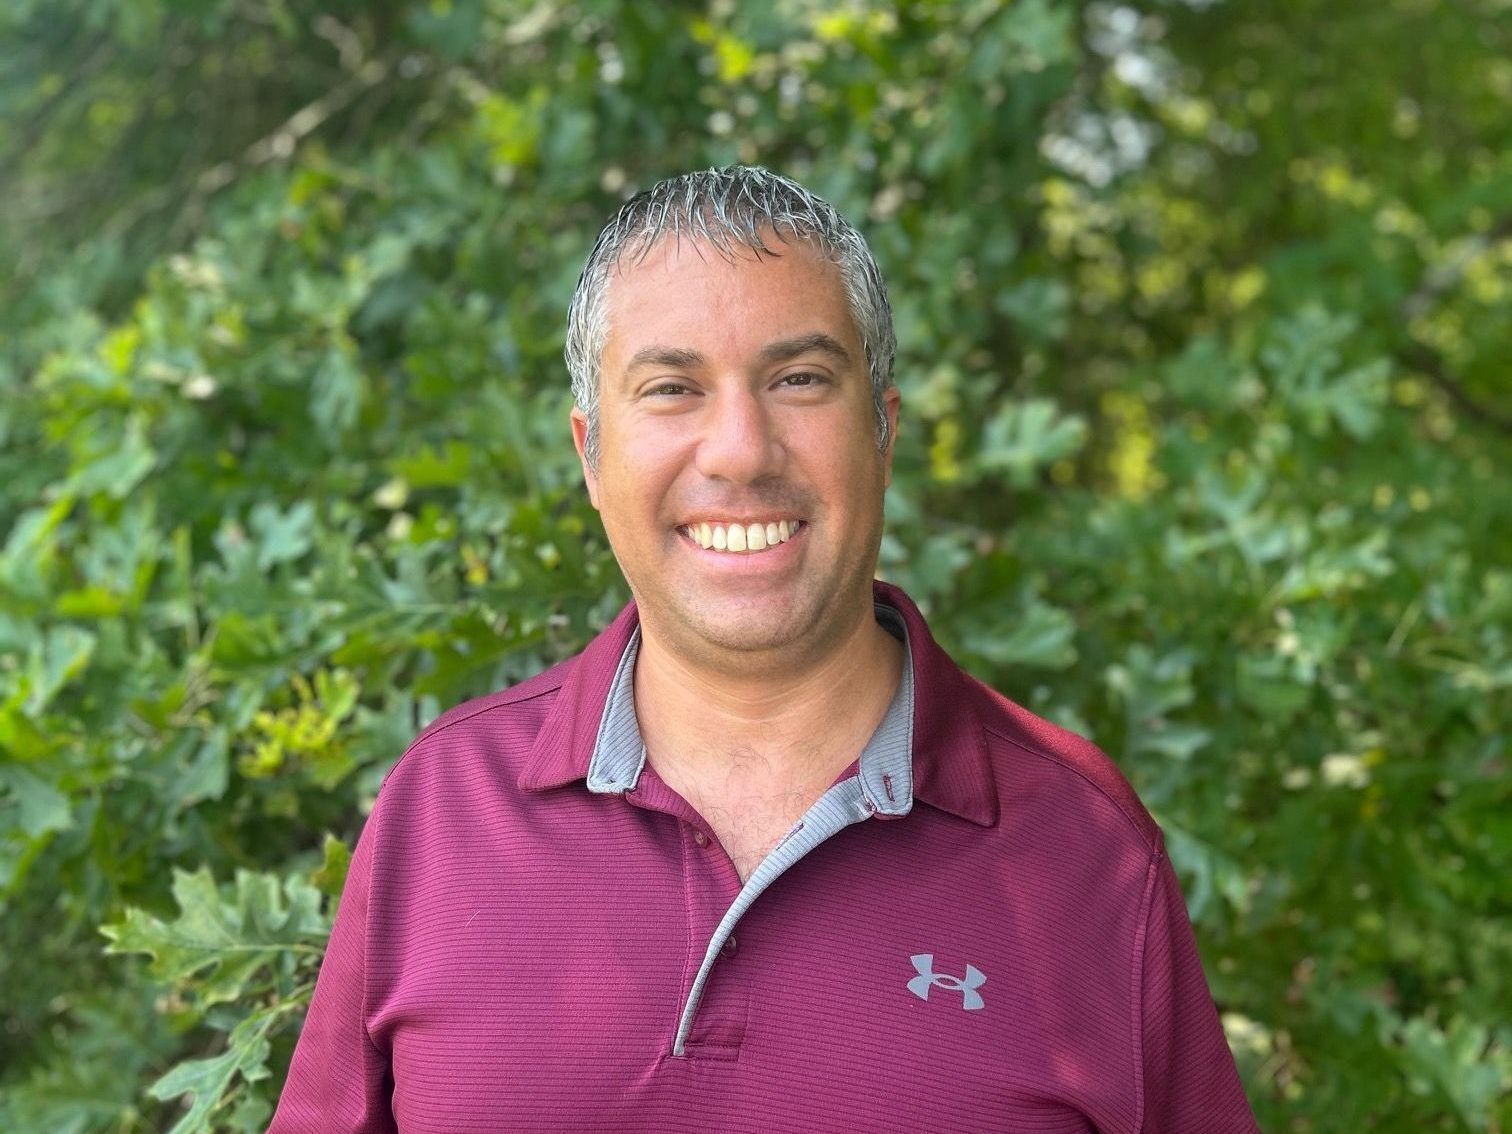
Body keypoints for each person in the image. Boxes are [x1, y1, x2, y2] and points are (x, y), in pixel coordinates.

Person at [268, 166, 1261, 1133]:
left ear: (884, 428)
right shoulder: (444, 808)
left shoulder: (1083, 847)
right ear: (589, 453)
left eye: (799, 378)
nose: (741, 449)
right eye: (671, 387)